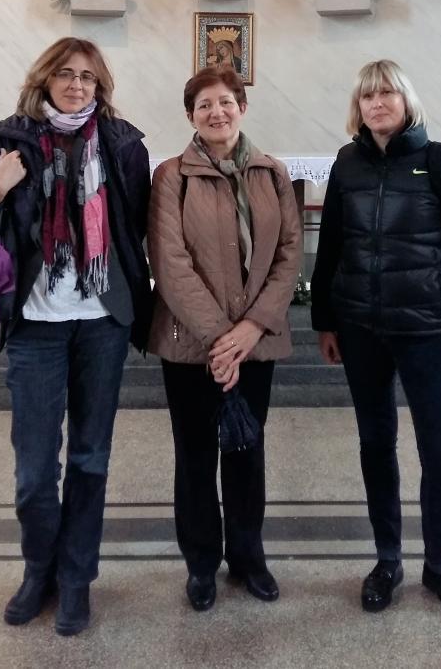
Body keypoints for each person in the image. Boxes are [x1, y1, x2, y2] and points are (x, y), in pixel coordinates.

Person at [0, 37, 151, 636]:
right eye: (65, 74)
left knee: (90, 459)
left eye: (88, 77)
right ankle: (39, 569)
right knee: (35, 469)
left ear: (100, 86)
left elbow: (134, 228)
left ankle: (76, 578)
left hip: (102, 322)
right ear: (44, 79)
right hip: (34, 325)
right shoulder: (4, 139)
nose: (76, 85)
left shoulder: (123, 145)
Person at [311, 59, 441, 620]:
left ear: (406, 100)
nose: (377, 103)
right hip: (361, 330)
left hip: (428, 331)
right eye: (367, 96)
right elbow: (332, 244)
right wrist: (325, 320)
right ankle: (387, 560)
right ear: (358, 107)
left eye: (387, 92)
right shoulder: (347, 164)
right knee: (376, 445)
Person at [147, 66, 301, 611]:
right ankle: (200, 565)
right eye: (204, 105)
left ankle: (248, 557)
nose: (217, 112)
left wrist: (251, 328)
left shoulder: (272, 173)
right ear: (191, 115)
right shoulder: (172, 176)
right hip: (191, 347)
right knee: (194, 456)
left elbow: (289, 253)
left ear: (242, 107)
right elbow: (169, 262)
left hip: (255, 344)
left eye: (226, 102)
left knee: (246, 451)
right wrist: (221, 338)